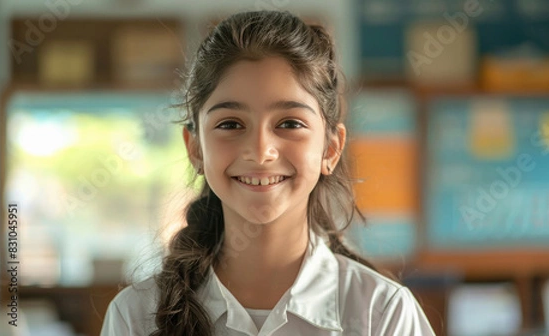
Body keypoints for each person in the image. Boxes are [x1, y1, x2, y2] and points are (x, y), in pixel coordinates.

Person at [100, 10, 435, 336]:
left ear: (331, 148)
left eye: (290, 123)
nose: (260, 152)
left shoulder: (383, 315)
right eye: (230, 124)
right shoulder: (136, 317)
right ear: (196, 148)